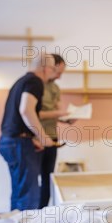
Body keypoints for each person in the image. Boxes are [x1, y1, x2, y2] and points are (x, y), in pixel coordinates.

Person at [0, 54, 59, 211]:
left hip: (9, 141)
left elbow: (17, 117)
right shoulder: (35, 82)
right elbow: (26, 110)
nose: (53, 73)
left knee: (19, 193)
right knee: (29, 196)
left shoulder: (21, 81)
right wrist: (43, 137)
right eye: (53, 69)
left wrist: (31, 138)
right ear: (46, 69)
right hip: (19, 144)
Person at [38, 54, 68, 208]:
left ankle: (42, 213)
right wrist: (58, 114)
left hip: (52, 138)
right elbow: (31, 113)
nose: (59, 76)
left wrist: (68, 118)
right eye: (58, 72)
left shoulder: (55, 88)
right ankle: (30, 216)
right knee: (30, 183)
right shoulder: (35, 85)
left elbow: (57, 112)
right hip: (35, 138)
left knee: (47, 180)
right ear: (49, 67)